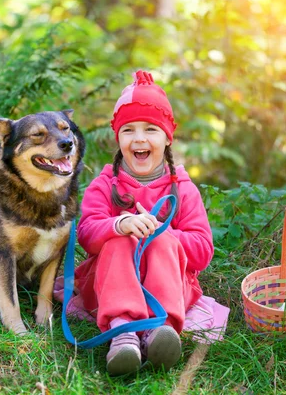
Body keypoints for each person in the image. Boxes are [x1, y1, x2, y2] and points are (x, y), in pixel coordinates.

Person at [74, 70, 215, 376]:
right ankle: (123, 331)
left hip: (170, 286)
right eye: (129, 130)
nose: (139, 138)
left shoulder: (184, 189)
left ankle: (161, 331)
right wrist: (118, 225)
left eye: (151, 129)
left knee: (162, 239)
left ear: (167, 138)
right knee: (119, 238)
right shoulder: (104, 185)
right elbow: (85, 233)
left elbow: (203, 250)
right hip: (109, 285)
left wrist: (164, 234)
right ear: (118, 138)